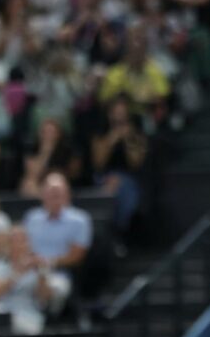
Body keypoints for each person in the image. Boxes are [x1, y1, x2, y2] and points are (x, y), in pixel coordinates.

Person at [0, 227, 71, 335]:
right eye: (15, 241)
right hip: (3, 311)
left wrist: (42, 274)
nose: (20, 245)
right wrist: (18, 272)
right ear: (8, 245)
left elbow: (43, 299)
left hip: (28, 316)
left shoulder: (37, 267)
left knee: (61, 284)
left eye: (23, 240)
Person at [91, 98, 148, 235]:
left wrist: (128, 140)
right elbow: (98, 163)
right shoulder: (100, 134)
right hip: (104, 176)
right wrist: (112, 138)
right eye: (116, 113)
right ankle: (110, 231)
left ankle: (119, 230)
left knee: (123, 189)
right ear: (109, 115)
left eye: (123, 113)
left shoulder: (136, 134)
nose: (119, 118)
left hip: (129, 177)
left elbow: (136, 163)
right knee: (110, 186)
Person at [22, 173, 92, 272]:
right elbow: (22, 246)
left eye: (58, 193)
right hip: (29, 270)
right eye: (51, 193)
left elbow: (77, 255)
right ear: (42, 194)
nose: (54, 197)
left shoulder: (80, 220)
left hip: (61, 273)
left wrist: (47, 262)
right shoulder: (31, 217)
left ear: (67, 194)